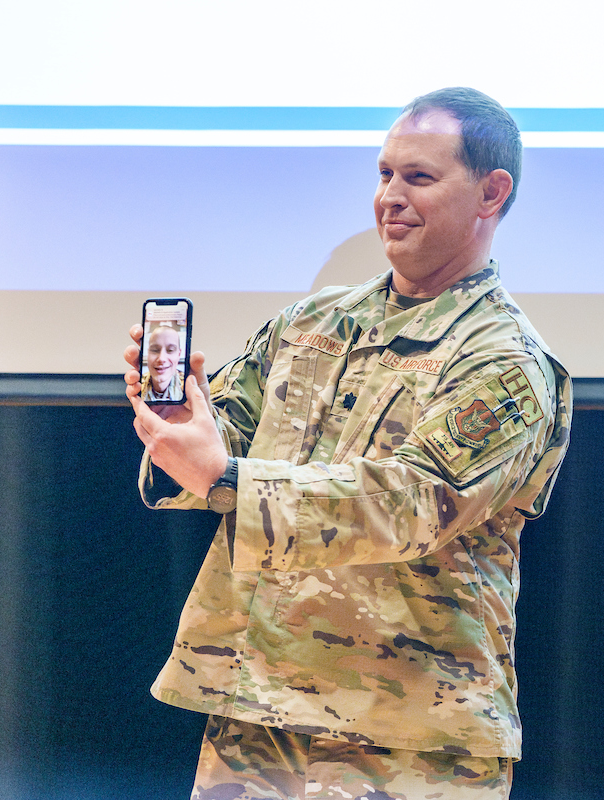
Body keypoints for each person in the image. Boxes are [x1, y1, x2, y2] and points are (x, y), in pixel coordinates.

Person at [123, 87, 572, 800]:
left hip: (408, 737)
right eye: (384, 174)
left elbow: (412, 502)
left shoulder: (504, 363)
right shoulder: (312, 321)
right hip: (258, 716)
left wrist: (227, 476)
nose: (390, 197)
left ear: (491, 193)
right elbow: (220, 447)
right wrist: (180, 427)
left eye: (418, 178)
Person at [141, 323, 185, 402]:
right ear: (148, 353)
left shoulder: (189, 387)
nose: (161, 359)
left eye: (170, 350)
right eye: (155, 350)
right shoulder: (136, 386)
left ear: (179, 355)